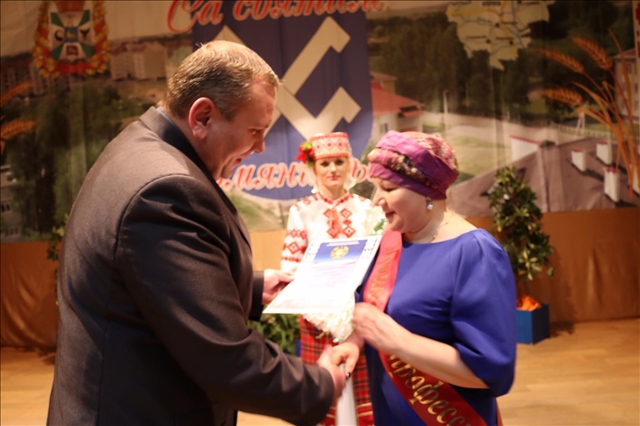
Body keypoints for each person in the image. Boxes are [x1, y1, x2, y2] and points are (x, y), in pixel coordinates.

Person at [47, 40, 346, 426]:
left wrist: (252, 286)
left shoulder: (138, 145)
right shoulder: (166, 191)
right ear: (202, 116)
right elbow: (226, 360)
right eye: (255, 130)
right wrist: (321, 382)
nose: (260, 146)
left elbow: (152, 281)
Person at [332, 130, 517, 426]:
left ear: (427, 192)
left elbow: (493, 372)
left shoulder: (474, 252)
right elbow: (375, 312)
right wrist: (354, 343)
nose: (376, 200)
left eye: (388, 188)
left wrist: (399, 341)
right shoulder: (391, 240)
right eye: (374, 187)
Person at [281, 132, 380, 426]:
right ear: (314, 167)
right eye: (325, 163)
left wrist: (355, 309)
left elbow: (378, 262)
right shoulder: (301, 211)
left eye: (339, 161)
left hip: (360, 313)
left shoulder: (367, 208)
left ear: (350, 164)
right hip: (318, 315)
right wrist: (327, 314)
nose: (333, 169)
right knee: (324, 388)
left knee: (365, 389)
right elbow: (290, 267)